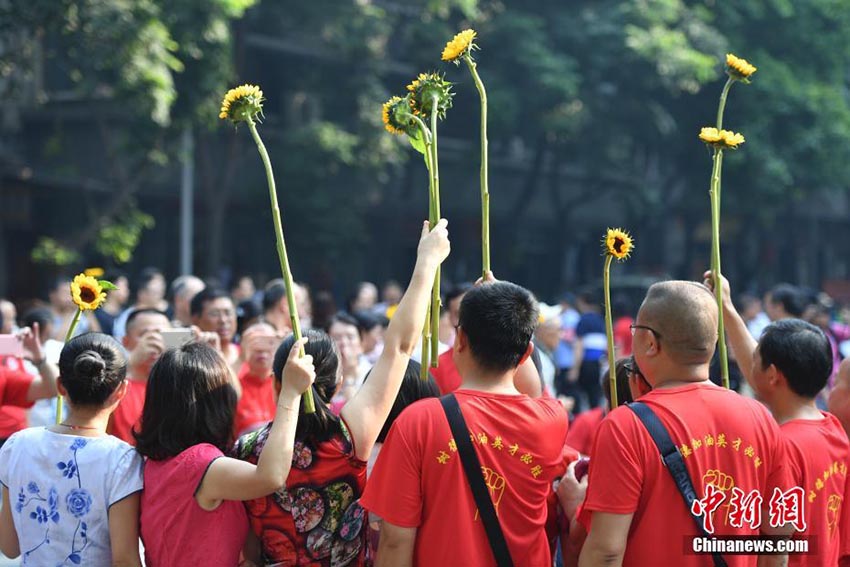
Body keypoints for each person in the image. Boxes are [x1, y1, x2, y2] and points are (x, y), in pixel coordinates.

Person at [230, 219, 450, 567]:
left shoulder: (245, 448)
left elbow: (248, 549)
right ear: (337, 382)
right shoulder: (348, 438)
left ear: (277, 382)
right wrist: (427, 261)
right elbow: (399, 348)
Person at [578, 281, 792, 567]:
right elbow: (779, 536)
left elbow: (606, 552)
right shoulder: (760, 418)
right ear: (713, 343)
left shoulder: (625, 425)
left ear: (650, 343)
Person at [362, 275, 569, 567]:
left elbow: (395, 540)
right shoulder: (552, 420)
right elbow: (533, 389)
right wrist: (506, 310)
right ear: (527, 354)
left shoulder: (419, 422)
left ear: (460, 339)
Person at [135, 338, 315, 566]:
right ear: (217, 405)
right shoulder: (201, 463)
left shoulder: (155, 462)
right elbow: (271, 477)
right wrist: (290, 393)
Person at [713, 274, 850, 566]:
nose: (750, 365)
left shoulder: (782, 446)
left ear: (773, 375)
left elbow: (777, 546)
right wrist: (726, 307)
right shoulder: (832, 430)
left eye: (757, 360)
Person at [0, 333, 144, 566]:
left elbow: (9, 545)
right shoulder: (122, 459)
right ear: (121, 391)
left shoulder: (17, 445)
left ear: (60, 386)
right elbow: (125, 559)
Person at [108, 308, 171, 444]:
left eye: (161, 335)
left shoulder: (181, 385)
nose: (155, 341)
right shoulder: (114, 387)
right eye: (145, 334)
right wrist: (130, 363)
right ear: (125, 342)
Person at [233, 322, 280, 437]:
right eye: (254, 342)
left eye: (268, 342)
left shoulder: (285, 383)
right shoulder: (234, 381)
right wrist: (241, 358)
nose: (261, 350)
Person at [568, 290, 607, 413]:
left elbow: (579, 346)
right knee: (596, 398)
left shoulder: (583, 320)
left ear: (582, 302)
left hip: (586, 364)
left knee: (583, 397)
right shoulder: (601, 319)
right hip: (600, 364)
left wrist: (574, 369)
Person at [429, 282, 471, 394]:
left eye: (471, 312)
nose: (466, 320)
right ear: (450, 318)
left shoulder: (502, 359)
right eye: (459, 314)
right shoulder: (439, 366)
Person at [112, 268, 167, 342]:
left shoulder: (159, 316)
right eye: (155, 292)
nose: (160, 297)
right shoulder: (128, 318)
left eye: (162, 291)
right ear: (142, 293)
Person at [191, 286, 240, 368]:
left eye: (228, 313)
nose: (223, 320)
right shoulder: (188, 361)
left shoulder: (248, 355)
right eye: (214, 314)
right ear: (195, 319)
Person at [93, 271, 130, 337]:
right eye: (124, 286)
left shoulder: (126, 314)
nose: (127, 291)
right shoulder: (96, 314)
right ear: (111, 287)